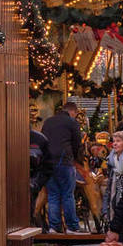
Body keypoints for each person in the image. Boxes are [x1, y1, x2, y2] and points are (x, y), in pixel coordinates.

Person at [41, 100, 84, 233]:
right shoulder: (72, 123)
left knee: (53, 195)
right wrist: (77, 160)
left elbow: (43, 139)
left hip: (48, 162)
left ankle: (54, 227)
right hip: (64, 161)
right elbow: (77, 144)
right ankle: (72, 226)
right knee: (67, 194)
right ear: (73, 112)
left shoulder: (48, 122)